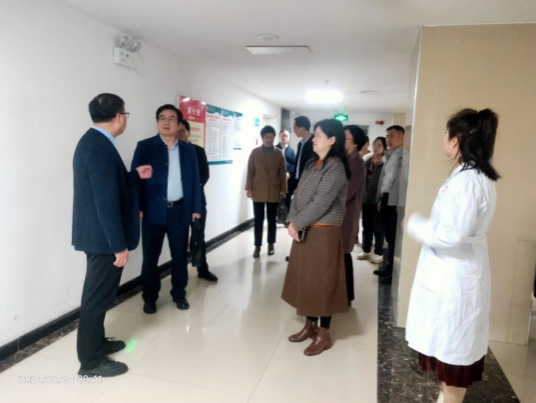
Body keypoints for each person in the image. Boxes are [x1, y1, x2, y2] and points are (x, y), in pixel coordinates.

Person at [402, 108, 500, 403]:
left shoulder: (468, 181)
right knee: (450, 356)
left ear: (456, 140)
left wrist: (415, 224)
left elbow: (451, 234)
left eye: (446, 133)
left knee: (454, 360)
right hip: (457, 272)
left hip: (455, 278)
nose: (443, 138)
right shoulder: (472, 176)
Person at [72, 93, 153, 377]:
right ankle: (90, 362)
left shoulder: (94, 142)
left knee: (100, 296)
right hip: (104, 240)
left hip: (98, 236)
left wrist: (134, 175)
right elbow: (105, 202)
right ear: (120, 117)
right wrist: (118, 245)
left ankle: (97, 343)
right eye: (125, 114)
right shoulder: (99, 148)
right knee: (96, 300)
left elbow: (108, 185)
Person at [282, 119, 350, 356]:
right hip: (305, 229)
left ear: (332, 140)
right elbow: (297, 194)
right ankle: (309, 326)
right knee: (307, 280)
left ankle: (323, 333)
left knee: (322, 282)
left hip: (323, 232)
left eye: (319, 135)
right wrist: (292, 220)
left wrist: (297, 223)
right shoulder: (313, 163)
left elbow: (322, 201)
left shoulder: (336, 167)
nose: (314, 139)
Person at [132, 104, 202, 314]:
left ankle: (179, 294)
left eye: (171, 118)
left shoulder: (188, 150)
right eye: (162, 118)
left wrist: (196, 207)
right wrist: (138, 207)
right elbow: (135, 180)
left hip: (179, 211)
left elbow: (195, 180)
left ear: (179, 124)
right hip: (152, 210)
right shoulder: (145, 147)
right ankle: (149, 298)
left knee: (179, 256)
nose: (166, 122)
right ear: (157, 122)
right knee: (150, 258)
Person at [177, 119, 218, 282]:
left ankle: (202, 268)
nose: (178, 134)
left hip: (197, 200)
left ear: (188, 132)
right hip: (179, 202)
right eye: (176, 132)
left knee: (198, 234)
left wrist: (192, 188)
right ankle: (181, 271)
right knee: (180, 237)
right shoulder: (171, 151)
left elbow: (205, 175)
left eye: (181, 131)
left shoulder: (198, 151)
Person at [246, 125, 287, 257]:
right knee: (258, 220)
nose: (269, 139)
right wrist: (249, 188)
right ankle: (257, 246)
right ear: (262, 138)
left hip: (274, 190)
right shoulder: (255, 153)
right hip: (258, 190)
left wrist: (284, 189)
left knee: (271, 220)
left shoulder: (279, 153)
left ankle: (271, 244)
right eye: (267, 137)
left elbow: (282, 173)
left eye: (271, 137)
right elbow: (250, 171)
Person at [375, 125, 408, 285]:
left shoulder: (405, 156)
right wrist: (381, 199)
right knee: (389, 236)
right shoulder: (390, 155)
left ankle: (394, 272)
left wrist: (400, 203)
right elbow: (386, 181)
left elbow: (404, 182)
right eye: (387, 136)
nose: (388, 139)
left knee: (395, 237)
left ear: (402, 137)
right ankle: (389, 268)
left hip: (396, 202)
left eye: (392, 136)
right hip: (387, 199)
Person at [341, 125, 367, 305]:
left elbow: (348, 191)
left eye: (346, 138)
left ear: (355, 143)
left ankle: (347, 297)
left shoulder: (356, 161)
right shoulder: (346, 159)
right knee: (342, 255)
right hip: (342, 212)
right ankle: (344, 295)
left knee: (344, 253)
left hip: (347, 214)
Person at [285, 116, 315, 262]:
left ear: (302, 127)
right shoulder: (300, 143)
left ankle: (305, 252)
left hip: (308, 185)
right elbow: (298, 164)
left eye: (295, 128)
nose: (294, 130)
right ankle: (297, 251)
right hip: (297, 183)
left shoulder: (313, 143)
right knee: (297, 217)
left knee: (305, 219)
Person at [357, 137, 387, 264]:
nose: (376, 147)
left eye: (379, 145)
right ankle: (366, 249)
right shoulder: (367, 160)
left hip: (377, 199)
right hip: (365, 197)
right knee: (366, 226)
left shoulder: (386, 162)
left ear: (384, 148)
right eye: (374, 145)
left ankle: (378, 252)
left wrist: (382, 199)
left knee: (378, 228)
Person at [276, 129, 296, 210]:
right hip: (276, 181)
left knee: (287, 203)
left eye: (286, 136)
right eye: (282, 136)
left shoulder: (291, 151)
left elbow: (294, 164)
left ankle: (286, 217)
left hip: (288, 181)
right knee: (275, 203)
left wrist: (289, 173)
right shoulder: (275, 149)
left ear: (289, 138)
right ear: (279, 137)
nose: (284, 137)